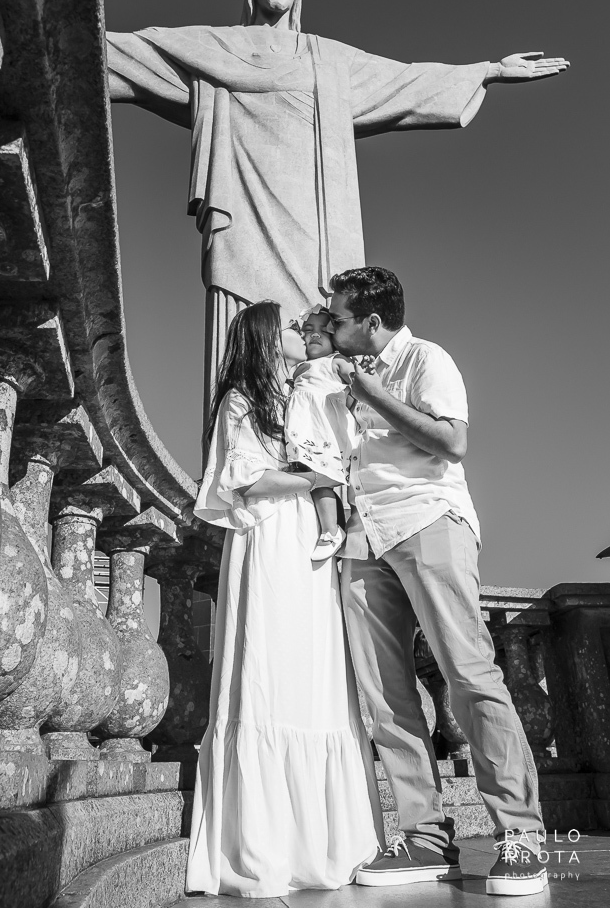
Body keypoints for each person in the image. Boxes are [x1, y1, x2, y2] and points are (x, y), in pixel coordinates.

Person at [107, 0, 569, 413]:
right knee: (250, 332)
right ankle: (238, 467)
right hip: (243, 212)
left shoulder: (327, 59)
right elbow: (133, 52)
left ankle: (322, 468)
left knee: (322, 325)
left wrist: (488, 71)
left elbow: (404, 80)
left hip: (316, 224)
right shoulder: (212, 48)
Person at [326, 266, 546, 897]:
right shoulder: (342, 375)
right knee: (386, 695)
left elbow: (453, 442)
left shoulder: (426, 359)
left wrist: (368, 395)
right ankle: (426, 834)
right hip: (365, 537)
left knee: (469, 675)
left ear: (372, 320)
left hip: (429, 522)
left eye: (339, 319)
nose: (332, 328)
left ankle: (520, 834)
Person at [186, 301, 383, 898]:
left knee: (317, 675)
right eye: (290, 329)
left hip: (306, 542)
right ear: (265, 339)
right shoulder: (242, 400)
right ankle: (267, 845)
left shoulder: (302, 393)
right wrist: (318, 480)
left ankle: (330, 841)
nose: (303, 334)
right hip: (270, 539)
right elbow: (245, 478)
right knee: (271, 671)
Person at [285, 303, 356, 559]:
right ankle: (327, 526)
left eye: (322, 331)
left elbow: (356, 382)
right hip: (302, 431)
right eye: (308, 329)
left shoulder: (334, 361)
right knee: (308, 477)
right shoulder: (296, 368)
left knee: (317, 477)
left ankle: (331, 529)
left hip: (322, 429)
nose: (314, 334)